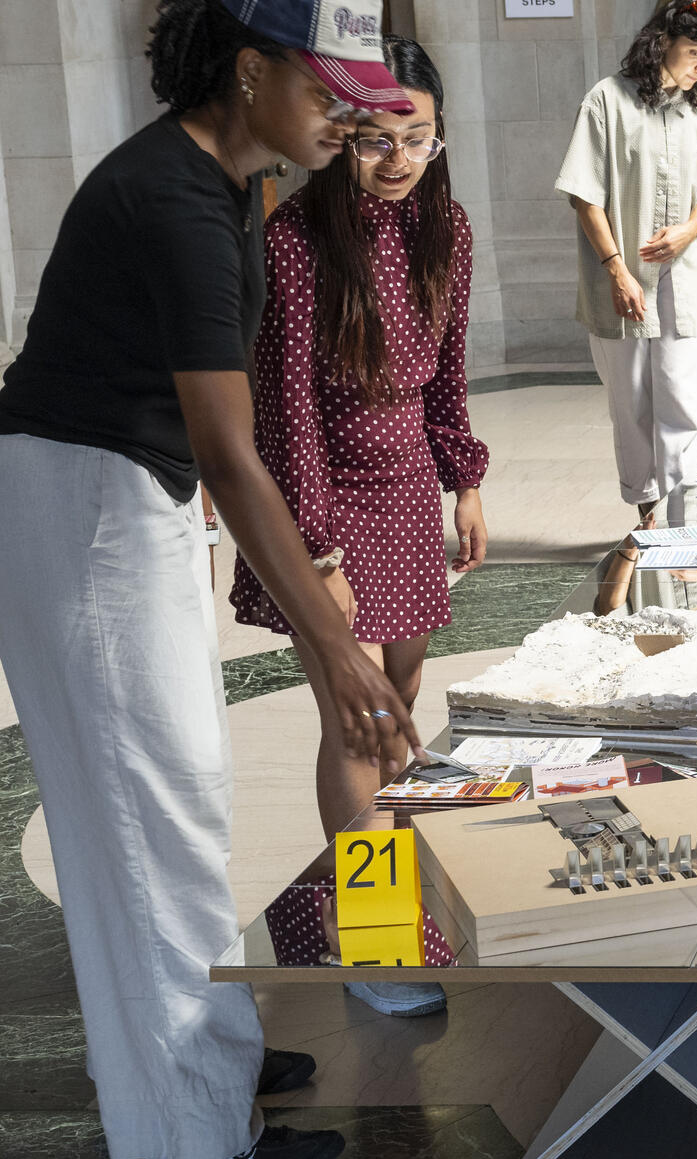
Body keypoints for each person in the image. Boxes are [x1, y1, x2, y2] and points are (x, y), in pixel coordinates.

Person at [0, 0, 420, 1159]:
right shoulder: (178, 199)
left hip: (126, 490)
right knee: (147, 814)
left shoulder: (232, 179)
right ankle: (187, 1140)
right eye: (324, 86)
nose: (347, 113)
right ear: (247, 70)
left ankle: (199, 1054)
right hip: (86, 503)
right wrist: (337, 651)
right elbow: (229, 450)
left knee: (170, 797)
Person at [230, 36, 487, 1022]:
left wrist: (462, 478)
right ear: (337, 137)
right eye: (373, 139)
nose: (395, 159)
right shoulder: (294, 240)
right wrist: (316, 553)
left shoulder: (445, 228)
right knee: (357, 718)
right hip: (324, 494)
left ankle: (388, 884)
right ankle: (373, 942)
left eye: (414, 138)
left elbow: (449, 370)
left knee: (405, 701)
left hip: (408, 489)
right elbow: (284, 415)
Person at [554, 0, 697, 528]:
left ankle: (689, 525)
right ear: (663, 42)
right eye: (693, 53)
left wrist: (688, 229)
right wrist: (617, 270)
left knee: (683, 402)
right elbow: (585, 196)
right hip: (619, 279)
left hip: (682, 278)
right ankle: (646, 513)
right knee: (631, 406)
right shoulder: (606, 101)